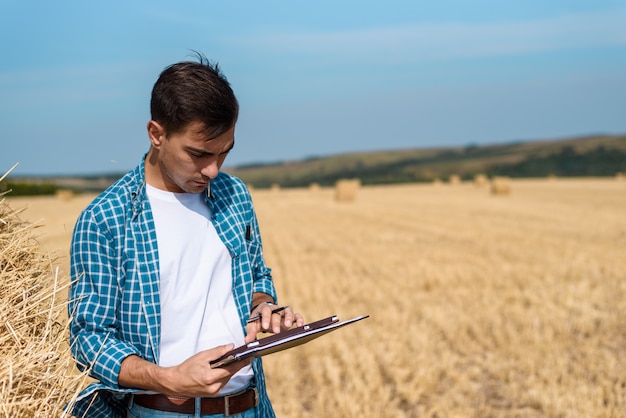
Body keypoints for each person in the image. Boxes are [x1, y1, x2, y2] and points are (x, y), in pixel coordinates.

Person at [67, 53, 303, 418]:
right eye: (198, 154)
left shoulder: (235, 194)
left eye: (224, 152)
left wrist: (263, 307)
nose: (213, 169)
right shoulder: (105, 219)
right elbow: (88, 338)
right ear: (156, 134)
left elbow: (257, 276)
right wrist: (169, 378)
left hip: (250, 407)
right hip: (159, 411)